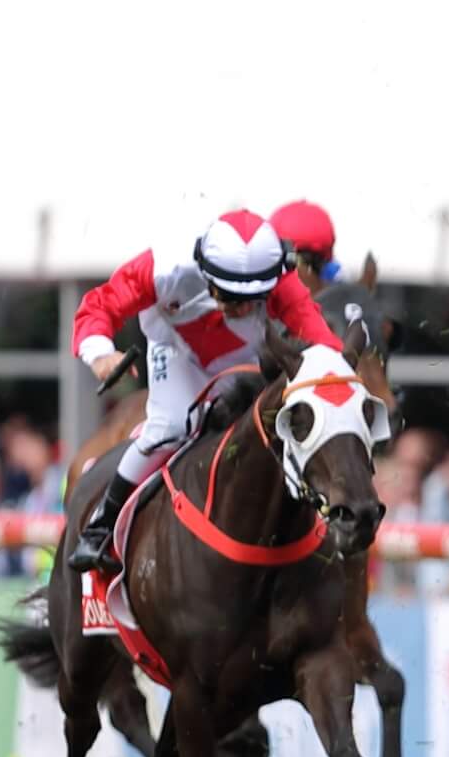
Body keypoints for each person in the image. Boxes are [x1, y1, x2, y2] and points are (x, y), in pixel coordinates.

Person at [62, 210, 344, 574]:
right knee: (171, 428)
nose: (241, 307)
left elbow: (322, 340)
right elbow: (99, 305)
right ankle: (101, 525)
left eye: (253, 299)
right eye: (229, 295)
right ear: (204, 270)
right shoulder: (163, 266)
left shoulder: (282, 282)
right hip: (174, 344)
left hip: (242, 352)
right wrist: (101, 355)